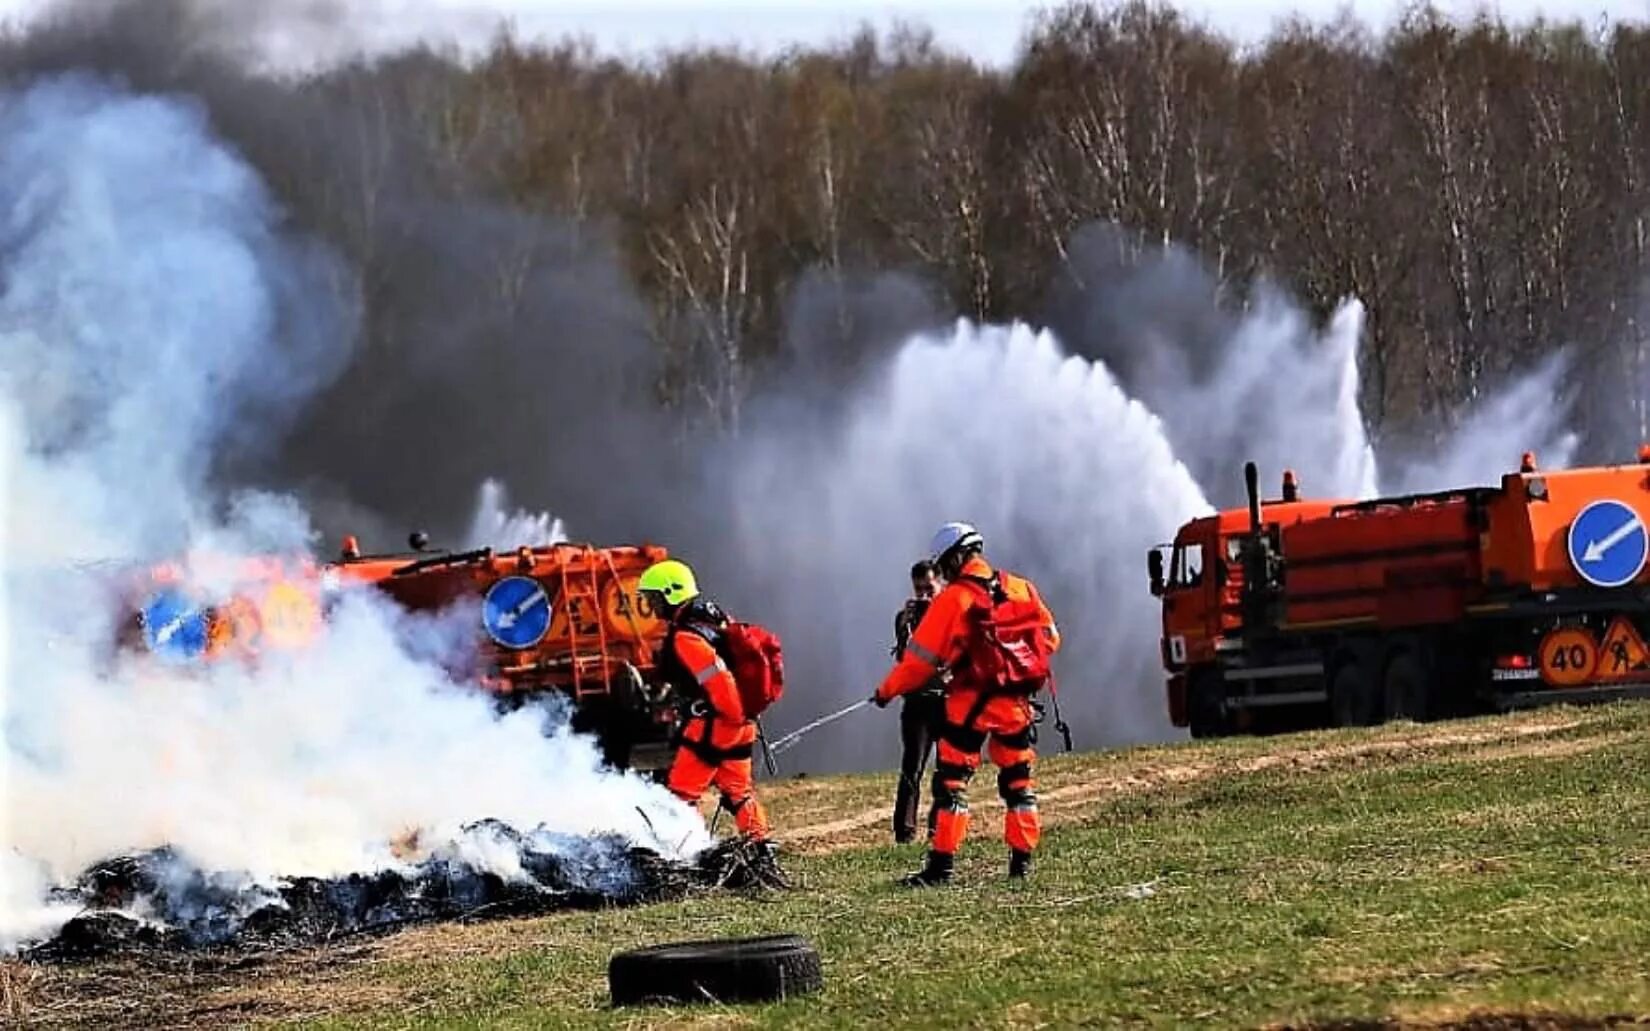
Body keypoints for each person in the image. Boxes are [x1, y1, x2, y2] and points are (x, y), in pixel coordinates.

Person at [872, 522, 1060, 886]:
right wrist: (1010, 668)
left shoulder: (953, 600)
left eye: (943, 566)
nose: (943, 573)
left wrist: (885, 692)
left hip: (969, 707)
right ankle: (1021, 865)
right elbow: (1050, 639)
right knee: (1019, 783)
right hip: (1016, 707)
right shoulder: (1021, 588)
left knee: (952, 785)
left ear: (956, 558)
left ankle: (940, 868)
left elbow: (917, 663)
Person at [638, 558, 773, 846]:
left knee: (681, 794)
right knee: (738, 791)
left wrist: (728, 718)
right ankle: (760, 847)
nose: (650, 606)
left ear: (670, 594)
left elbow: (719, 681)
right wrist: (740, 719)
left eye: (653, 598)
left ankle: (687, 850)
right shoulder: (714, 617)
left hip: (715, 725)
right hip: (741, 723)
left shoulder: (687, 637)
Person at [891, 559, 945, 844]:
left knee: (947, 770)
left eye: (929, 589)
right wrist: (907, 626)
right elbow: (904, 659)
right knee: (912, 767)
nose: (924, 596)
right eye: (918, 590)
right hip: (917, 703)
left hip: (948, 702)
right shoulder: (905, 617)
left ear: (941, 584)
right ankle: (904, 831)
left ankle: (940, 830)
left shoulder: (952, 615)